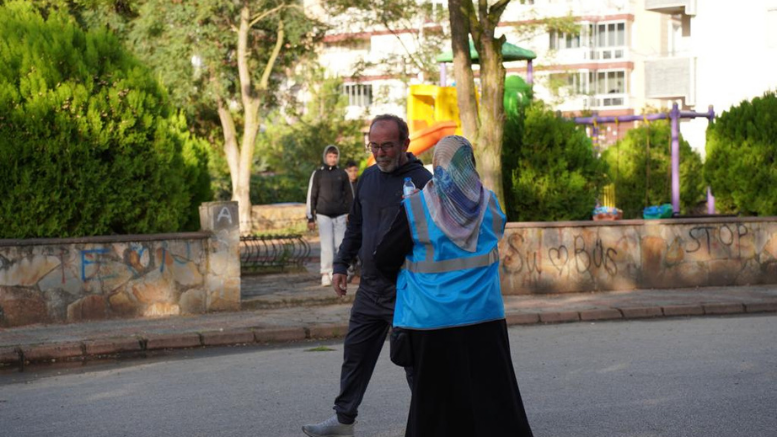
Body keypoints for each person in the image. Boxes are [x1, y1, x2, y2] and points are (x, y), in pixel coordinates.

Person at [375, 135, 535, 437]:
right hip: (485, 316)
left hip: (431, 320)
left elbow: (383, 259)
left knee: (434, 406)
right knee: (494, 400)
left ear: (438, 164)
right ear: (469, 163)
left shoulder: (417, 207)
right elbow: (495, 232)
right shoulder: (489, 203)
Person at [302, 115, 432, 437]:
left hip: (407, 289)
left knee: (414, 362)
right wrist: (340, 265)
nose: (379, 153)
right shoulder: (368, 178)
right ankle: (343, 421)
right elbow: (356, 226)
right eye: (373, 146)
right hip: (370, 288)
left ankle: (432, 423)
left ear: (405, 144)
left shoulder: (423, 181)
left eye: (387, 146)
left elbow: (434, 237)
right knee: (355, 355)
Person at [306, 145, 353, 287]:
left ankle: (340, 271)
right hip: (323, 214)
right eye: (330, 156)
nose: (332, 159)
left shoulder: (343, 174)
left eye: (335, 156)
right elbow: (312, 195)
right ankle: (326, 273)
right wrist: (310, 217)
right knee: (326, 246)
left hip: (340, 215)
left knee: (341, 244)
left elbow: (349, 195)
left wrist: (351, 213)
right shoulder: (318, 174)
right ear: (325, 157)